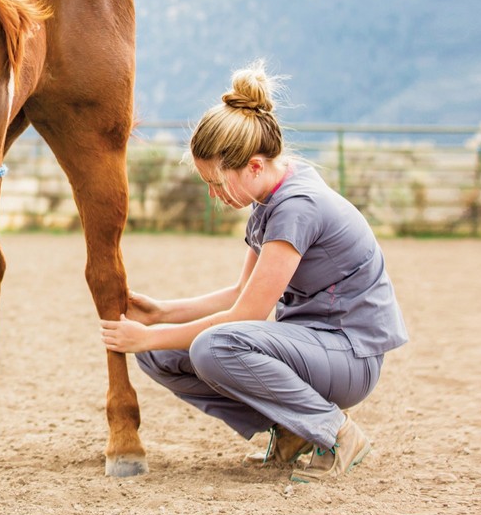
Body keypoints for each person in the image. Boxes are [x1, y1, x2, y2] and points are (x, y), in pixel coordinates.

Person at [99, 61, 408, 483]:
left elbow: (247, 315)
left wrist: (147, 334)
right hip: (312, 348)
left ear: (256, 167)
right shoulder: (267, 202)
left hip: (349, 356)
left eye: (218, 183)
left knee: (213, 346)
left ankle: (336, 432)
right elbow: (243, 291)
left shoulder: (297, 207)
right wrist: (161, 316)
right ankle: (290, 429)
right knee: (160, 355)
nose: (214, 195)